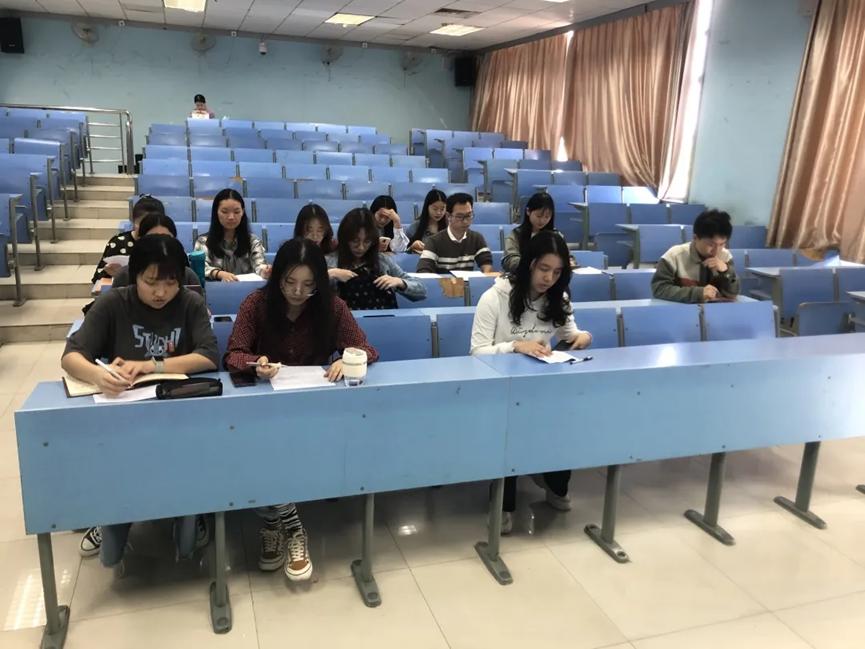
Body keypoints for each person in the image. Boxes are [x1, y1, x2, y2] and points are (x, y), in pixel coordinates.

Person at [223, 238, 379, 580]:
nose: (297, 292)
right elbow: (234, 354)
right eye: (289, 282)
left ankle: (275, 522)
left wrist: (348, 360)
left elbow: (367, 349)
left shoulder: (333, 307)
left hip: (313, 407)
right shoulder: (256, 304)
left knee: (288, 448)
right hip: (263, 406)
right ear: (277, 277)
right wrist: (256, 363)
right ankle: (290, 525)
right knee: (265, 449)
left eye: (308, 285)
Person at [64, 236, 219, 564]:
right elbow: (72, 356)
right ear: (135, 276)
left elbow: (208, 355)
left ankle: (192, 511)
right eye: (151, 282)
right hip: (125, 416)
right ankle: (110, 515)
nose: (161, 292)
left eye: (170, 283)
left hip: (180, 413)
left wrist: (151, 365)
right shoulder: (114, 303)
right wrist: (98, 375)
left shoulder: (190, 303)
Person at [470, 231, 592, 534]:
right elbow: (477, 352)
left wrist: (582, 337)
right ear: (529, 264)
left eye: (557, 272)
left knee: (563, 422)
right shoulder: (494, 297)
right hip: (501, 387)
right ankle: (503, 502)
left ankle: (553, 482)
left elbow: (569, 333)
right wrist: (515, 346)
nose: (549, 278)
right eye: (543, 269)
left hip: (542, 386)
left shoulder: (558, 298)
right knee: (510, 430)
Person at [326, 208, 426, 309]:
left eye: (367, 241)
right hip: (347, 318)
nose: (361, 247)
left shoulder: (382, 260)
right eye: (355, 241)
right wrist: (329, 274)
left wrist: (400, 282)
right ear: (345, 238)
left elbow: (421, 291)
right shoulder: (330, 261)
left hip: (384, 317)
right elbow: (316, 294)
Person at [651, 209, 740, 303]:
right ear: (695, 238)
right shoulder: (674, 255)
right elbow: (659, 289)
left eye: (722, 244)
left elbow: (732, 294)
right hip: (681, 309)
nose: (716, 251)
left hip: (715, 310)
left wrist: (726, 272)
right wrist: (697, 293)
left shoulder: (725, 256)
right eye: (711, 244)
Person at [195, 189, 270, 281]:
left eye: (236, 212)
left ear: (242, 212)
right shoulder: (203, 241)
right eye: (224, 212)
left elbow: (259, 264)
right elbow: (200, 268)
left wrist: (265, 271)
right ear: (216, 212)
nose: (231, 217)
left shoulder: (253, 241)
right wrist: (219, 274)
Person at [111, 213, 201, 288]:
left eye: (166, 238)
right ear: (140, 240)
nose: (159, 244)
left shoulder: (188, 276)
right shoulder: (124, 276)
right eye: (152, 238)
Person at [91, 195, 165, 284]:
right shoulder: (118, 242)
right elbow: (98, 279)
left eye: (152, 224)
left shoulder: (165, 244)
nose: (147, 228)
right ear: (133, 221)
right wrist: (113, 274)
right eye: (142, 223)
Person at [416, 193, 493, 274]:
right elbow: (423, 270)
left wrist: (486, 274)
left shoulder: (476, 238)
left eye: (468, 215)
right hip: (442, 282)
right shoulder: (434, 241)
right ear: (448, 216)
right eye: (459, 216)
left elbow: (486, 262)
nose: (465, 221)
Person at [502, 192, 573, 273]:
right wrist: (532, 265)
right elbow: (509, 259)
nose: (542, 220)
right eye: (538, 216)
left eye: (547, 217)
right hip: (522, 276)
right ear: (528, 211)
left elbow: (567, 257)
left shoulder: (556, 236)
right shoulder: (516, 234)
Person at [407, 189, 447, 254]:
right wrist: (412, 246)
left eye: (442, 209)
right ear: (427, 207)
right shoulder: (415, 227)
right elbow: (403, 252)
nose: (439, 213)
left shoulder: (449, 227)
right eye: (435, 209)